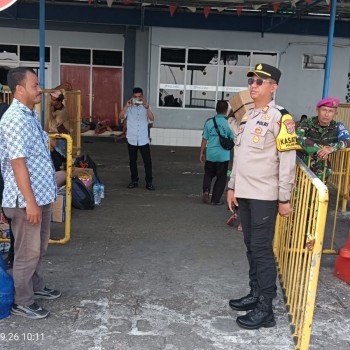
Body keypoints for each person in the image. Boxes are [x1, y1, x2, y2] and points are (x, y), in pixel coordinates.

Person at [226, 63, 296, 330]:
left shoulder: (281, 118)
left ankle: (266, 308)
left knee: (262, 250)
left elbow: (287, 161)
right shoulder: (249, 116)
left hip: (265, 195)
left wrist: (284, 198)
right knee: (250, 246)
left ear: (273, 87)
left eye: (259, 82)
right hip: (245, 194)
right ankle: (255, 294)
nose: (253, 86)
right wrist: (232, 187)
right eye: (251, 81)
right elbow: (240, 156)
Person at [0, 67, 60, 320]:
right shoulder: (14, 119)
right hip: (26, 201)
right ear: (20, 88)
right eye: (35, 85)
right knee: (26, 253)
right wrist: (30, 202)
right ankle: (22, 301)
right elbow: (17, 163)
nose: (40, 90)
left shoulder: (30, 115)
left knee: (39, 248)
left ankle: (35, 285)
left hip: (41, 196)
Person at [296, 97, 350, 182]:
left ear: (336, 113)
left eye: (330, 111)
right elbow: (298, 137)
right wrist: (319, 149)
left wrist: (332, 148)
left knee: (319, 192)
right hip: (302, 167)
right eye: (324, 110)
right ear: (317, 110)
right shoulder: (307, 123)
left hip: (322, 169)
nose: (326, 114)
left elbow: (347, 140)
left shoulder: (338, 126)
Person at [119, 87, 155, 191]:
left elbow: (152, 119)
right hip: (132, 138)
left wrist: (147, 107)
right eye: (135, 97)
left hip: (143, 138)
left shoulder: (146, 106)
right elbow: (120, 117)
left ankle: (149, 182)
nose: (137, 99)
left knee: (147, 162)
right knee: (132, 161)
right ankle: (134, 180)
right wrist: (126, 106)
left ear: (142, 97)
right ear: (132, 97)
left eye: (139, 97)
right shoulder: (129, 107)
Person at [200, 100, 233, 205]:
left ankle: (206, 190)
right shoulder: (228, 123)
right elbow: (232, 138)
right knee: (221, 178)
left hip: (210, 154)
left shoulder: (209, 122)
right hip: (223, 155)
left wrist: (201, 152)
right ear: (226, 110)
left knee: (208, 174)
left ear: (216, 109)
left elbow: (204, 139)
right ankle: (215, 200)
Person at [47, 89, 70, 157]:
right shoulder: (55, 108)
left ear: (59, 102)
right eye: (51, 99)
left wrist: (50, 112)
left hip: (61, 137)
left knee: (61, 155)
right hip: (55, 136)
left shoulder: (62, 112)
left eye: (54, 100)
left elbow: (54, 124)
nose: (51, 101)